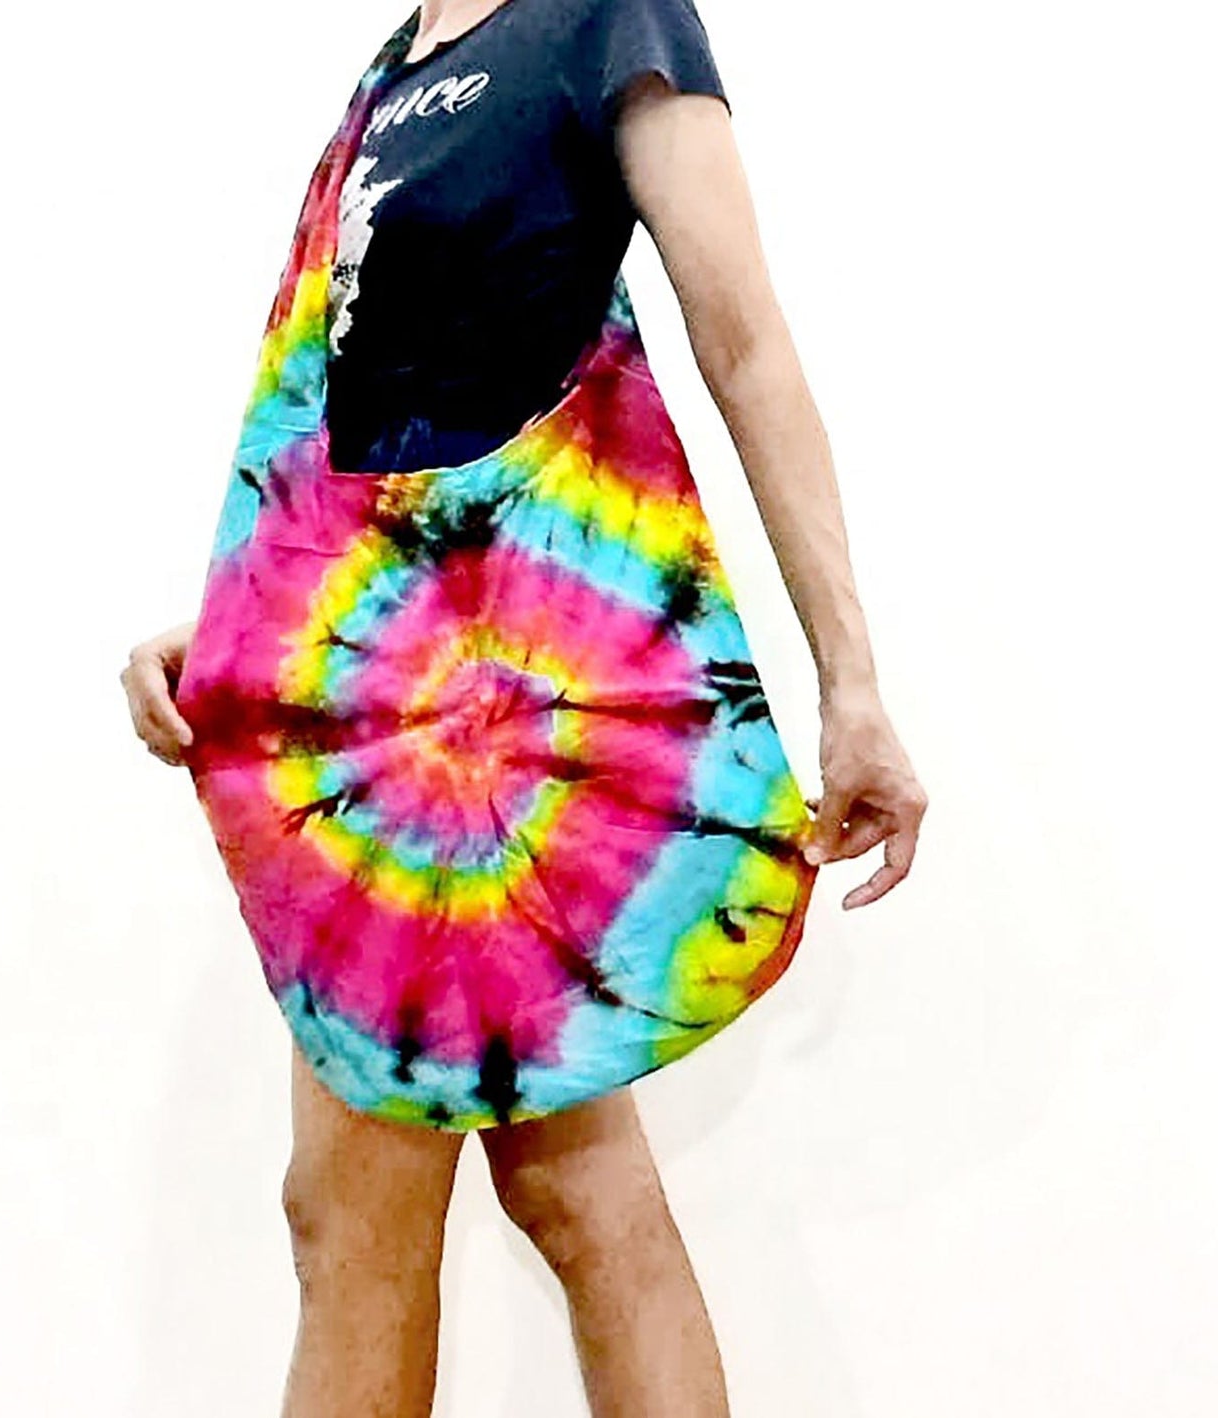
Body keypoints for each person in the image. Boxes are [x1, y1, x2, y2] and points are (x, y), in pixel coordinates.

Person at [120, 1, 927, 1413]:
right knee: (567, 1193)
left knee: (359, 1215)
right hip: (400, 703)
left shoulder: (605, 17)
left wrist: (849, 679)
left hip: (490, 722)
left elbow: (744, 339)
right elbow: (388, 412)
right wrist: (250, 624)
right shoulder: (395, 69)